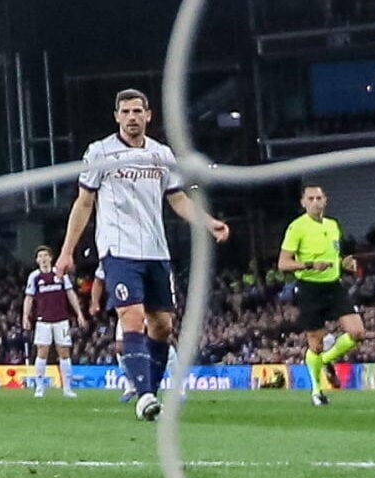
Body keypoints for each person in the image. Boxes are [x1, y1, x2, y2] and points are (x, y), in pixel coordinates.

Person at [56, 89, 227, 420]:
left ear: (148, 115)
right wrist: (67, 252)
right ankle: (145, 395)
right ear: (116, 116)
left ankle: (149, 388)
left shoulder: (161, 154)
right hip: (118, 250)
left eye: (138, 111)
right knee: (131, 318)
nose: (132, 117)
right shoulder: (100, 152)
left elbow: (177, 199)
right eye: (126, 111)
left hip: (155, 251)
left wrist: (208, 223)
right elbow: (84, 202)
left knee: (162, 326)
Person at [278, 184, 365, 406]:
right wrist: (309, 264)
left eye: (319, 198)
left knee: (357, 332)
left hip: (333, 286)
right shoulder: (296, 227)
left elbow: (335, 257)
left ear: (325, 201)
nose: (316, 202)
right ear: (303, 202)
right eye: (311, 198)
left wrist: (344, 263)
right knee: (315, 345)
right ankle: (317, 390)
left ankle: (325, 360)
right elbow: (283, 263)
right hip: (309, 288)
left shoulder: (333, 225)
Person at [21, 246, 84, 398]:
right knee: (42, 352)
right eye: (39, 256)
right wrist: (25, 316)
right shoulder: (34, 277)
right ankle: (40, 387)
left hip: (61, 319)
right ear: (37, 260)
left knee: (64, 352)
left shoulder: (60, 273)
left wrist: (79, 313)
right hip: (43, 320)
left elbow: (70, 293)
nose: (42, 259)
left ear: (50, 257)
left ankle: (67, 388)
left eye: (45, 255)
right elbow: (29, 298)